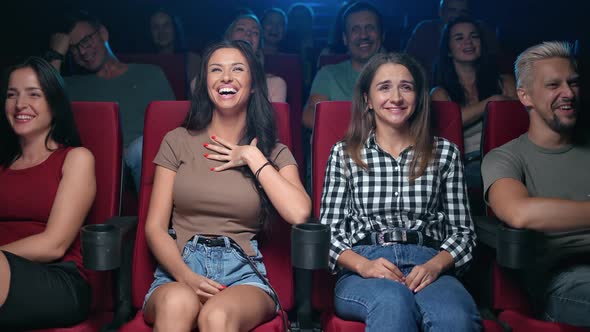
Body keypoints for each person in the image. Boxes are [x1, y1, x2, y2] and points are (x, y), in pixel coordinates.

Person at [142, 40, 311, 331]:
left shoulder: (273, 152)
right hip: (179, 266)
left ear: (254, 84)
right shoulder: (177, 140)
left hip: (242, 272)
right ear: (205, 83)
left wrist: (251, 155)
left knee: (216, 317)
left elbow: (299, 213)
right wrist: (186, 276)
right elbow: (155, 228)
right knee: (177, 304)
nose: (226, 77)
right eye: (216, 69)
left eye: (237, 69)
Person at [320, 52, 480, 331]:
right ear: (368, 100)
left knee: (456, 319)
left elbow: (463, 233)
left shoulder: (445, 153)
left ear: (418, 97)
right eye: (384, 87)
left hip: (429, 263)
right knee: (393, 304)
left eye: (406, 87)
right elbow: (329, 235)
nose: (396, 97)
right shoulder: (345, 154)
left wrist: (436, 266)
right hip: (366, 265)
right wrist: (364, 266)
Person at [482, 41, 590, 327]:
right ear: (525, 96)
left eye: (573, 83)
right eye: (553, 85)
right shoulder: (505, 157)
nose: (568, 93)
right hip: (565, 281)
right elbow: (520, 212)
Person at [0, 57, 96, 330]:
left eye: (34, 94)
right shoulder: (2, 165)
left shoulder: (76, 158)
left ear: (54, 104)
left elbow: (54, 244)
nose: (20, 105)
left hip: (57, 279)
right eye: (11, 95)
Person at [47, 10, 175, 191]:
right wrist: (56, 54)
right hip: (101, 166)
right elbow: (42, 109)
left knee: (141, 148)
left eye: (85, 41)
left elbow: (174, 130)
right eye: (73, 48)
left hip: (150, 160)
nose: (82, 51)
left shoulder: (150, 74)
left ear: (103, 34)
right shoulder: (70, 86)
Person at [431, 16, 516, 189]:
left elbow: (521, 119)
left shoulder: (505, 82)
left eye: (474, 36)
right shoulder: (440, 93)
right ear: (448, 49)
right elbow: (451, 123)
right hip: (465, 165)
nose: (468, 42)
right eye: (459, 38)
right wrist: (492, 102)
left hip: (508, 158)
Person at [302, 1, 384, 129]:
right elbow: (309, 116)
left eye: (370, 28)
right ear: (345, 39)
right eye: (355, 30)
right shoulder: (328, 74)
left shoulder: (399, 73)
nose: (363, 35)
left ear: (381, 35)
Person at [191, 13, 287, 103]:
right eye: (240, 29)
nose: (248, 33)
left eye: (255, 32)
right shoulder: (202, 82)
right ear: (228, 38)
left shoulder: (273, 84)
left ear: (259, 47)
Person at [405, 0, 500, 78]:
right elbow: (408, 63)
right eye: (452, 10)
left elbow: (496, 63)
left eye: (463, 12)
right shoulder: (425, 29)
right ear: (441, 11)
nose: (457, 16)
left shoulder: (482, 29)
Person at [149, 8, 201, 82]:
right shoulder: (144, 64)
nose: (161, 32)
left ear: (175, 28)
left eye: (166, 25)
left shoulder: (192, 60)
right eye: (156, 27)